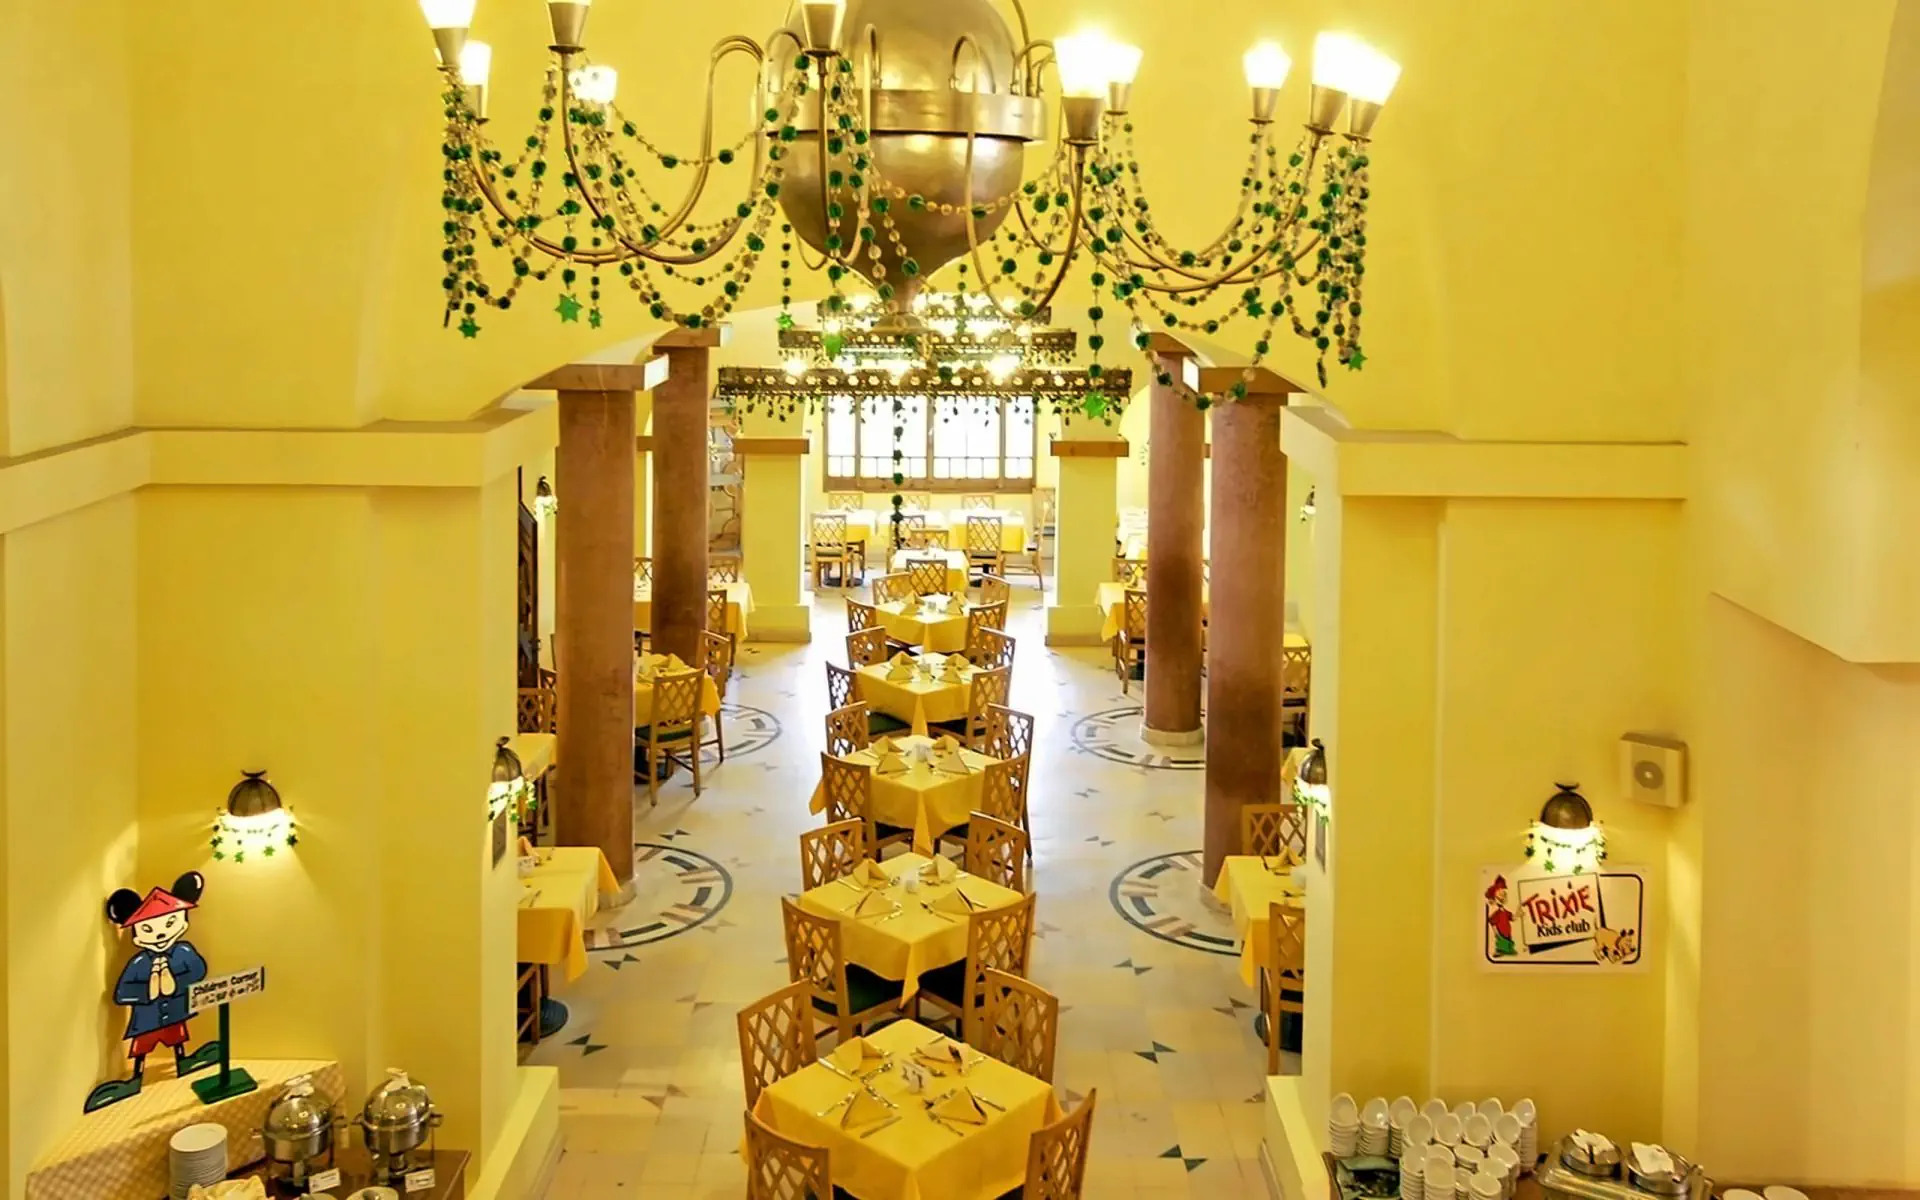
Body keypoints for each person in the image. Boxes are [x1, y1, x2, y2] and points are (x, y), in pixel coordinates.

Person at [84, 872, 224, 1111]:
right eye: (147, 928)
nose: (160, 934)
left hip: (176, 1012)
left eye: (169, 924)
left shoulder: (183, 952)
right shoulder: (139, 964)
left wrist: (177, 983)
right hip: (146, 1019)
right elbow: (122, 993)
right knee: (142, 1048)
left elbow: (198, 970)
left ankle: (183, 1060)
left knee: (177, 1037)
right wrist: (149, 989)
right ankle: (136, 1076)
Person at [1484, 875, 1518, 958]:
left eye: (1504, 893)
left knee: (1508, 942)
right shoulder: (1496, 912)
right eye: (1500, 893)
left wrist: (1518, 914)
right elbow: (1492, 922)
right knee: (1503, 943)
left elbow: (1512, 918)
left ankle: (1507, 949)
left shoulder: (1504, 911)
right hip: (1501, 933)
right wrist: (1496, 934)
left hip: (1507, 932)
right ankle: (1500, 951)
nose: (1503, 895)